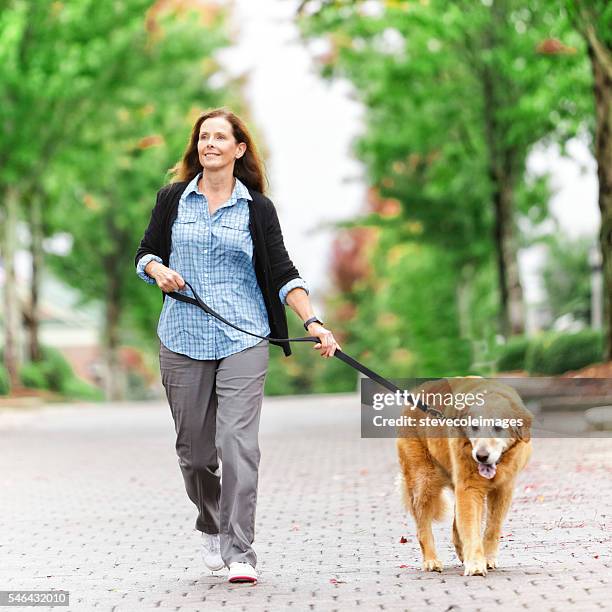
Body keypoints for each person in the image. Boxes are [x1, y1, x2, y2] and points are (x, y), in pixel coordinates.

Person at [134, 107, 341, 584]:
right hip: (182, 337)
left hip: (243, 337)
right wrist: (156, 269)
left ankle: (240, 549)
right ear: (197, 147)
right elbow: (145, 251)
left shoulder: (257, 209)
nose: (210, 144)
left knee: (237, 444)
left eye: (220, 137)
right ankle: (210, 520)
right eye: (203, 137)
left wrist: (313, 321)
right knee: (196, 453)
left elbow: (285, 272)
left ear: (238, 149)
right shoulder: (171, 200)